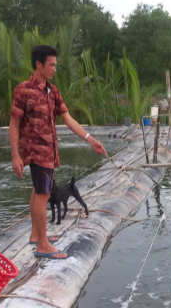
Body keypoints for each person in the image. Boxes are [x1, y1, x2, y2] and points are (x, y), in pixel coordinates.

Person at [9, 45, 108, 260]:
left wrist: (90, 140)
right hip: (36, 152)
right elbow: (14, 124)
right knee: (43, 194)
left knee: (38, 192)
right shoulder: (23, 90)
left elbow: (68, 119)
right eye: (51, 64)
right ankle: (43, 245)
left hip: (50, 151)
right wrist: (15, 155)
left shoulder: (52, 92)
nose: (55, 68)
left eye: (55, 64)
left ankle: (37, 235)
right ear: (39, 64)